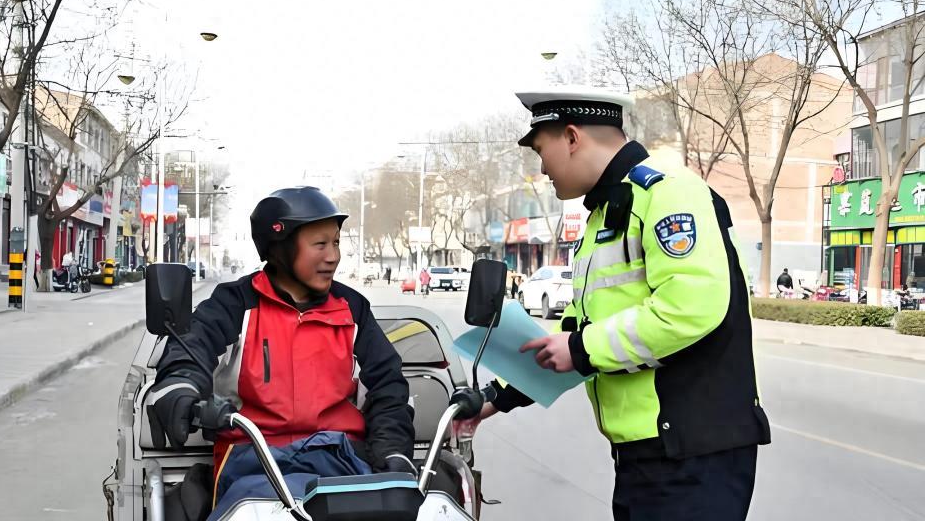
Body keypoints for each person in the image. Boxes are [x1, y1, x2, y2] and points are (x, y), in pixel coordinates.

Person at [479, 87, 770, 520]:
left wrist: (579, 350)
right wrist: (497, 397)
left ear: (573, 137)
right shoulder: (605, 216)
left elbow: (689, 309)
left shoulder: (668, 193)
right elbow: (581, 331)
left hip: (692, 453)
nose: (542, 169)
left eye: (542, 151)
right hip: (647, 456)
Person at [149, 186, 416, 518]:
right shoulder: (234, 305)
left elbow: (388, 386)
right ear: (280, 249)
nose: (332, 255)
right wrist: (180, 386)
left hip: (340, 462)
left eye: (335, 243)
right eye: (320, 244)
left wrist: (394, 452)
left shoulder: (352, 310)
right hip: (254, 463)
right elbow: (193, 348)